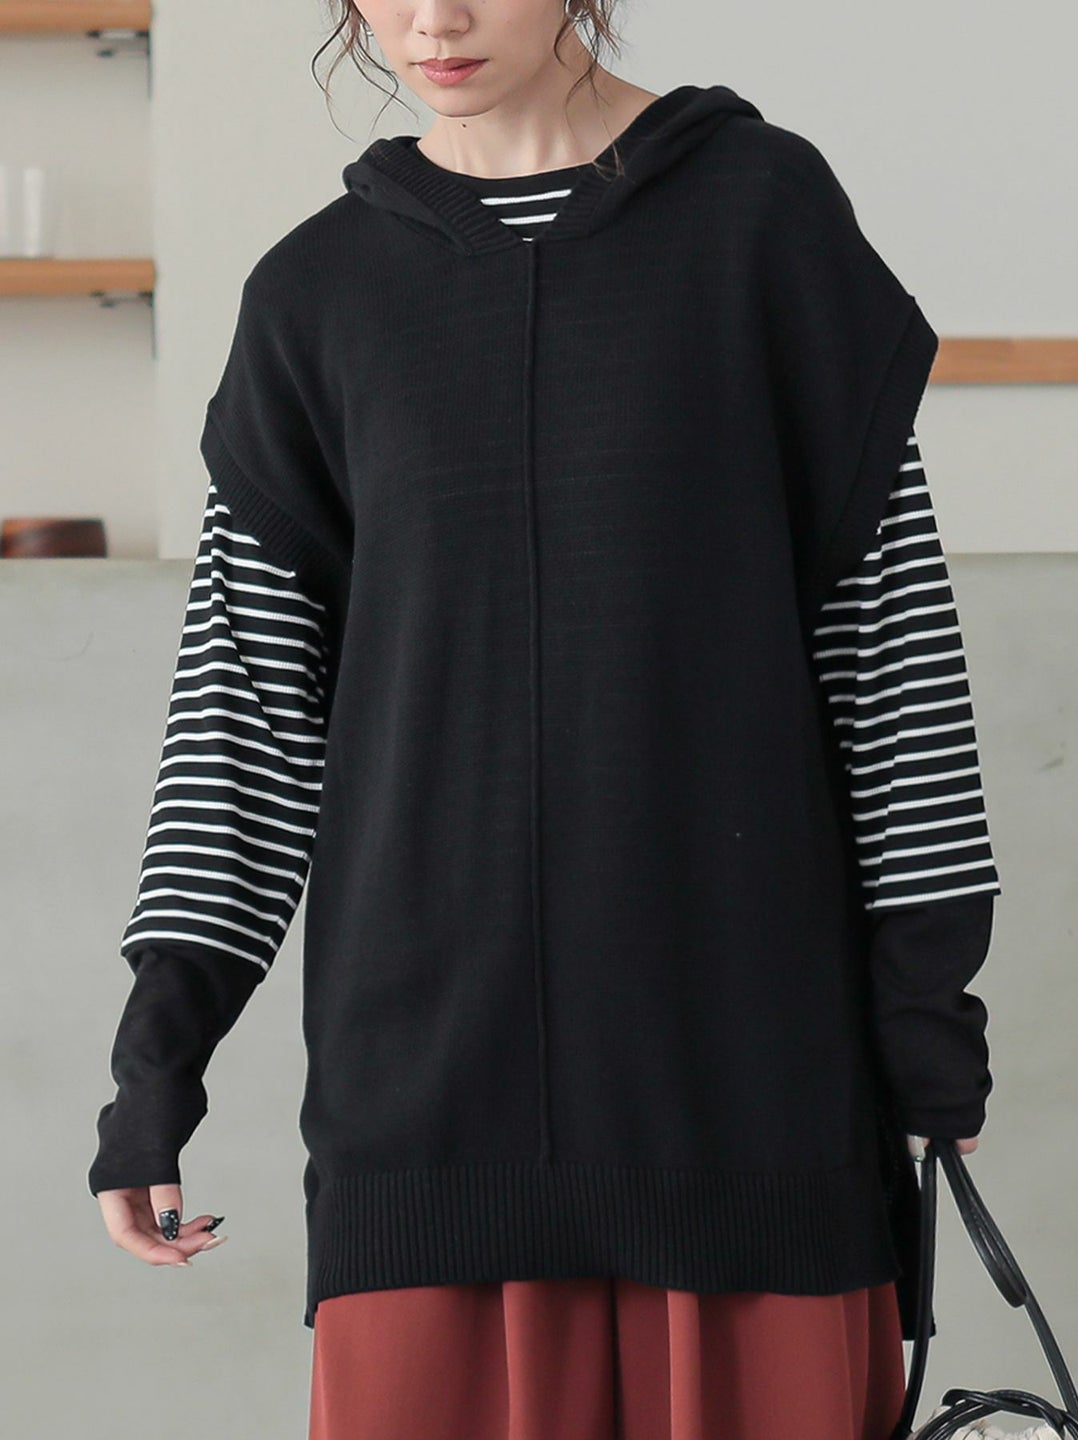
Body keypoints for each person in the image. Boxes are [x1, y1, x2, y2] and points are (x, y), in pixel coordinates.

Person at [89, 3, 1001, 1436]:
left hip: (748, 1091)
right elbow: (243, 719)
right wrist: (158, 1068)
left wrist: (926, 1017)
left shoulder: (763, 222)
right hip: (422, 1117)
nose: (432, 19)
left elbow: (888, 657)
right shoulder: (316, 294)